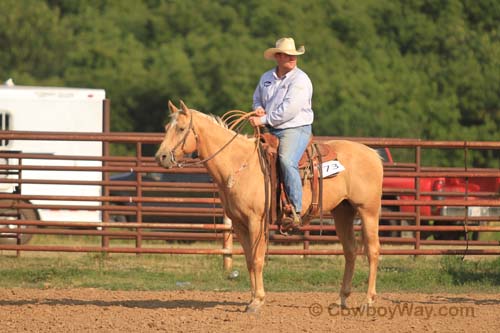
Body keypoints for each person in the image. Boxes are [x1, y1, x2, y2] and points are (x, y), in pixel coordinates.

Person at [249, 37, 314, 227]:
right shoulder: (266, 78)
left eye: (294, 55)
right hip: (271, 128)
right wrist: (259, 107)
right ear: (278, 56)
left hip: (295, 128)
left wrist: (262, 119)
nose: (293, 58)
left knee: (286, 160)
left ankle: (295, 209)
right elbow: (256, 98)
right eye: (288, 55)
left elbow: (289, 110)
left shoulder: (301, 80)